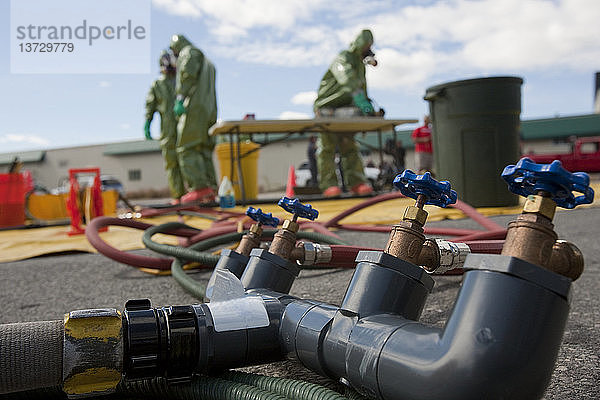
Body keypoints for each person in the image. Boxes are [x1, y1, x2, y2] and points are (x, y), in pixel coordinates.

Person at [313, 29, 382, 198]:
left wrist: (368, 110)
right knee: (327, 147)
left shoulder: (360, 65)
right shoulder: (343, 58)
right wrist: (361, 101)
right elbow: (347, 79)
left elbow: (361, 88)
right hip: (326, 108)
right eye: (366, 45)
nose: (368, 48)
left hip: (346, 111)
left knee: (349, 145)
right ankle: (329, 185)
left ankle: (357, 182)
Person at [170, 34, 218, 203]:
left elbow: (187, 75)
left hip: (194, 108)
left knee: (186, 147)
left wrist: (180, 97)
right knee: (204, 148)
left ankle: (198, 188)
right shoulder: (208, 62)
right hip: (209, 109)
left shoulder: (188, 53)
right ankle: (210, 188)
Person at [144, 50, 185, 203]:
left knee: (187, 159)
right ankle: (178, 196)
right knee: (171, 162)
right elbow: (150, 105)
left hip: (183, 125)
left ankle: (195, 194)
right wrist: (147, 122)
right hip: (167, 128)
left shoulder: (180, 81)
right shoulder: (157, 84)